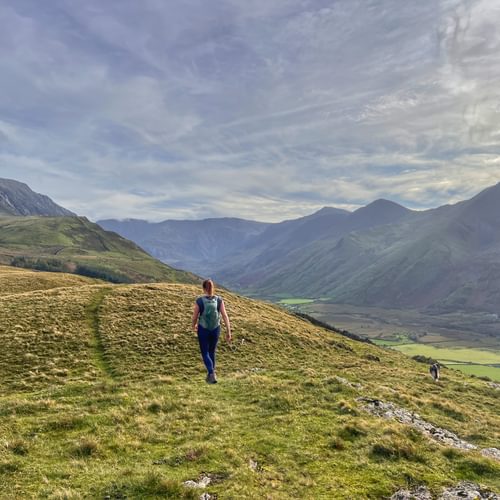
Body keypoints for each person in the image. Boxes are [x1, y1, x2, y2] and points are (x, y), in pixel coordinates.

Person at [192, 279, 232, 384]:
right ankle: (210, 376)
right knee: (212, 352)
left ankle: (211, 373)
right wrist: (228, 331)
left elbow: (195, 316)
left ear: (204, 288)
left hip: (203, 329)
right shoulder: (219, 300)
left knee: (205, 352)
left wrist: (194, 325)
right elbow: (224, 315)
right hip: (216, 328)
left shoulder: (199, 301)